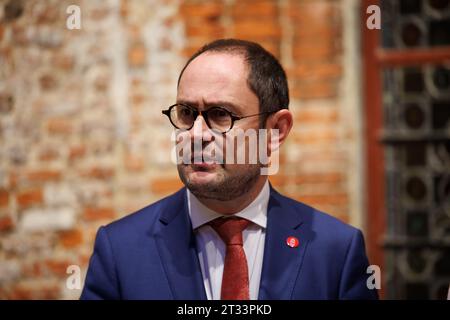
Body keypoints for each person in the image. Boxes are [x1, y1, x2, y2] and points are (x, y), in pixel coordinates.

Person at [80, 39, 378, 300]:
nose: (196, 134)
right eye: (186, 113)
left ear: (275, 131)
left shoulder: (335, 251)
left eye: (220, 115)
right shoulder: (120, 250)